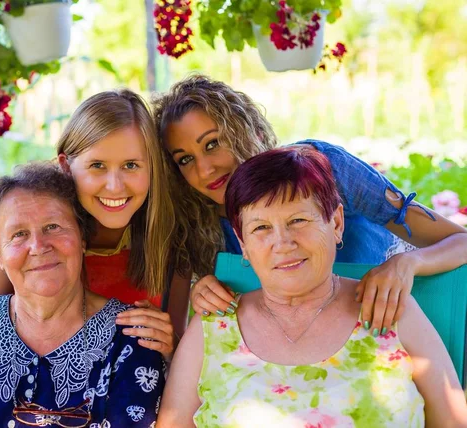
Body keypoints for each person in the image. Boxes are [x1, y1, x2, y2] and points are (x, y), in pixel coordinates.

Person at [158, 147, 467, 427]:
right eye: (261, 228)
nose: (283, 243)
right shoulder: (212, 329)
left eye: (298, 220)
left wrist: (408, 263)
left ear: (335, 223)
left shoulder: (389, 311)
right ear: (244, 244)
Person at [0, 89, 188, 384]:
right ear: (65, 165)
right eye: (97, 165)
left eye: (131, 165)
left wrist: (170, 346)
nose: (114, 186)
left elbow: (177, 359)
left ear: (153, 168)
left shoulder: (169, 239)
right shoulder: (27, 237)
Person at [153, 74, 467, 335]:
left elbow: (460, 242)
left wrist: (405, 264)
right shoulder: (196, 222)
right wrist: (204, 293)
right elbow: (181, 337)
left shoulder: (324, 168)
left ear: (247, 131)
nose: (205, 169)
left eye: (213, 144)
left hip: (400, 337)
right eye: (185, 159)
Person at [0, 162, 165, 428]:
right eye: (19, 234)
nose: (38, 246)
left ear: (82, 238)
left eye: (53, 227)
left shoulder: (131, 338)